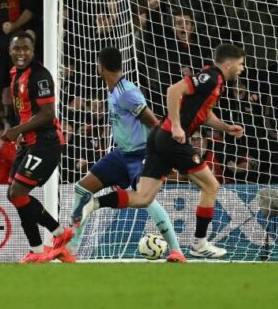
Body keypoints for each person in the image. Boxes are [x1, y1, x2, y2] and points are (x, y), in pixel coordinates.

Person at [84, 43, 248, 259]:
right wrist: (178, 125)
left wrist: (226, 128)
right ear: (228, 63)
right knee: (211, 185)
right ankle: (199, 244)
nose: (242, 68)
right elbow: (173, 90)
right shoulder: (212, 77)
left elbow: (204, 115)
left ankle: (94, 203)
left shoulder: (217, 84)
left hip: (158, 137)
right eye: (241, 64)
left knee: (143, 198)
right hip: (171, 137)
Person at [51, 47, 185, 263]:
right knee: (82, 188)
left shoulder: (127, 92)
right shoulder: (112, 90)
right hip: (123, 154)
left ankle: (176, 250)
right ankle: (71, 251)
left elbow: (154, 123)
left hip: (143, 153)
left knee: (146, 199)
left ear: (101, 67)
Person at [0, 32, 71, 263]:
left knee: (18, 193)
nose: (21, 53)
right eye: (17, 49)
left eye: (25, 49)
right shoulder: (14, 73)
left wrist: (17, 130)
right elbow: (24, 110)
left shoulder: (40, 76)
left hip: (46, 143)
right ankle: (39, 251)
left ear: (33, 51)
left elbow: (48, 114)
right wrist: (21, 132)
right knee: (15, 196)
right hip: (28, 142)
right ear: (9, 51)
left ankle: (60, 233)